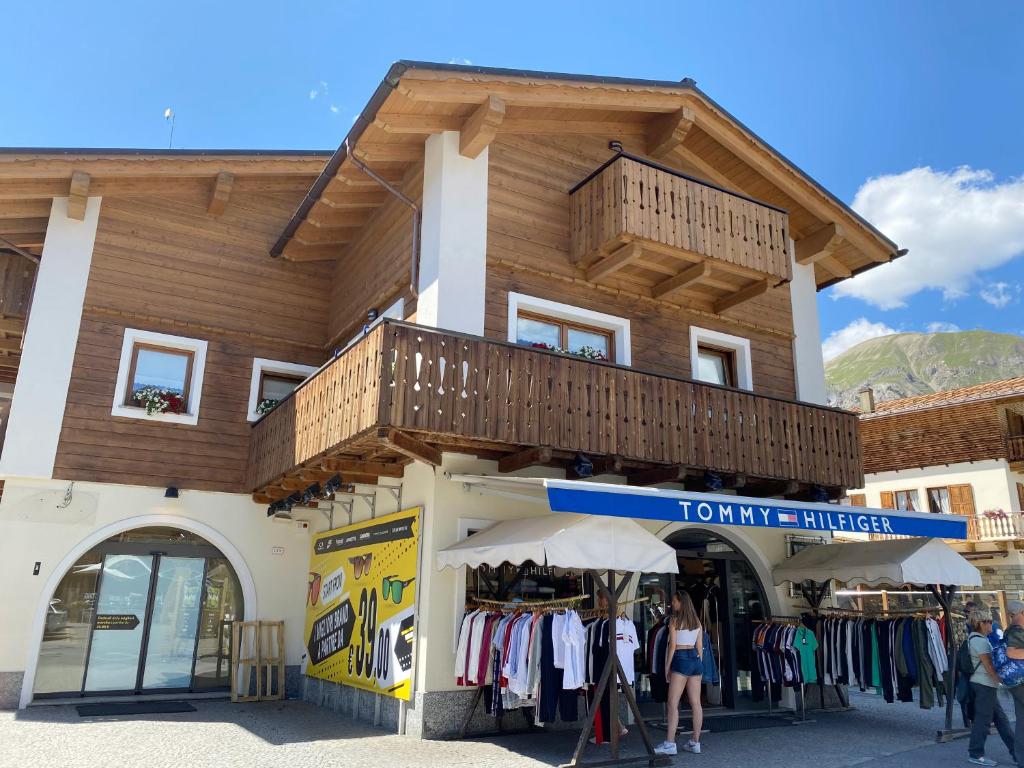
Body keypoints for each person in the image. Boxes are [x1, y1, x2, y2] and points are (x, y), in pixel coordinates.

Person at [654, 591, 703, 756]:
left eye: (674, 601)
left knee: (672, 703)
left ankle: (670, 743)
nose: (672, 604)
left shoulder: (674, 620)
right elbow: (700, 647)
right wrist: (698, 662)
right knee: (696, 704)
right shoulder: (697, 621)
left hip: (680, 658)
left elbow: (673, 646)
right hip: (696, 660)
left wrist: (667, 667)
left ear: (681, 602)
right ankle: (695, 742)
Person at [967, 606, 1015, 766]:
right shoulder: (979, 641)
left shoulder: (976, 638)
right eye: (987, 621)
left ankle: (1017, 752)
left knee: (1001, 720)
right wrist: (1002, 681)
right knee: (983, 720)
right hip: (984, 685)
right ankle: (975, 753)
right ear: (979, 623)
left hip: (985, 684)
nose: (990, 625)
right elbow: (988, 666)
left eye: (990, 621)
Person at [1002, 600, 1024, 767]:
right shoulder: (1016, 631)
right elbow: (1012, 653)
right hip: (1020, 681)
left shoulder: (1011, 630)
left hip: (1015, 681)